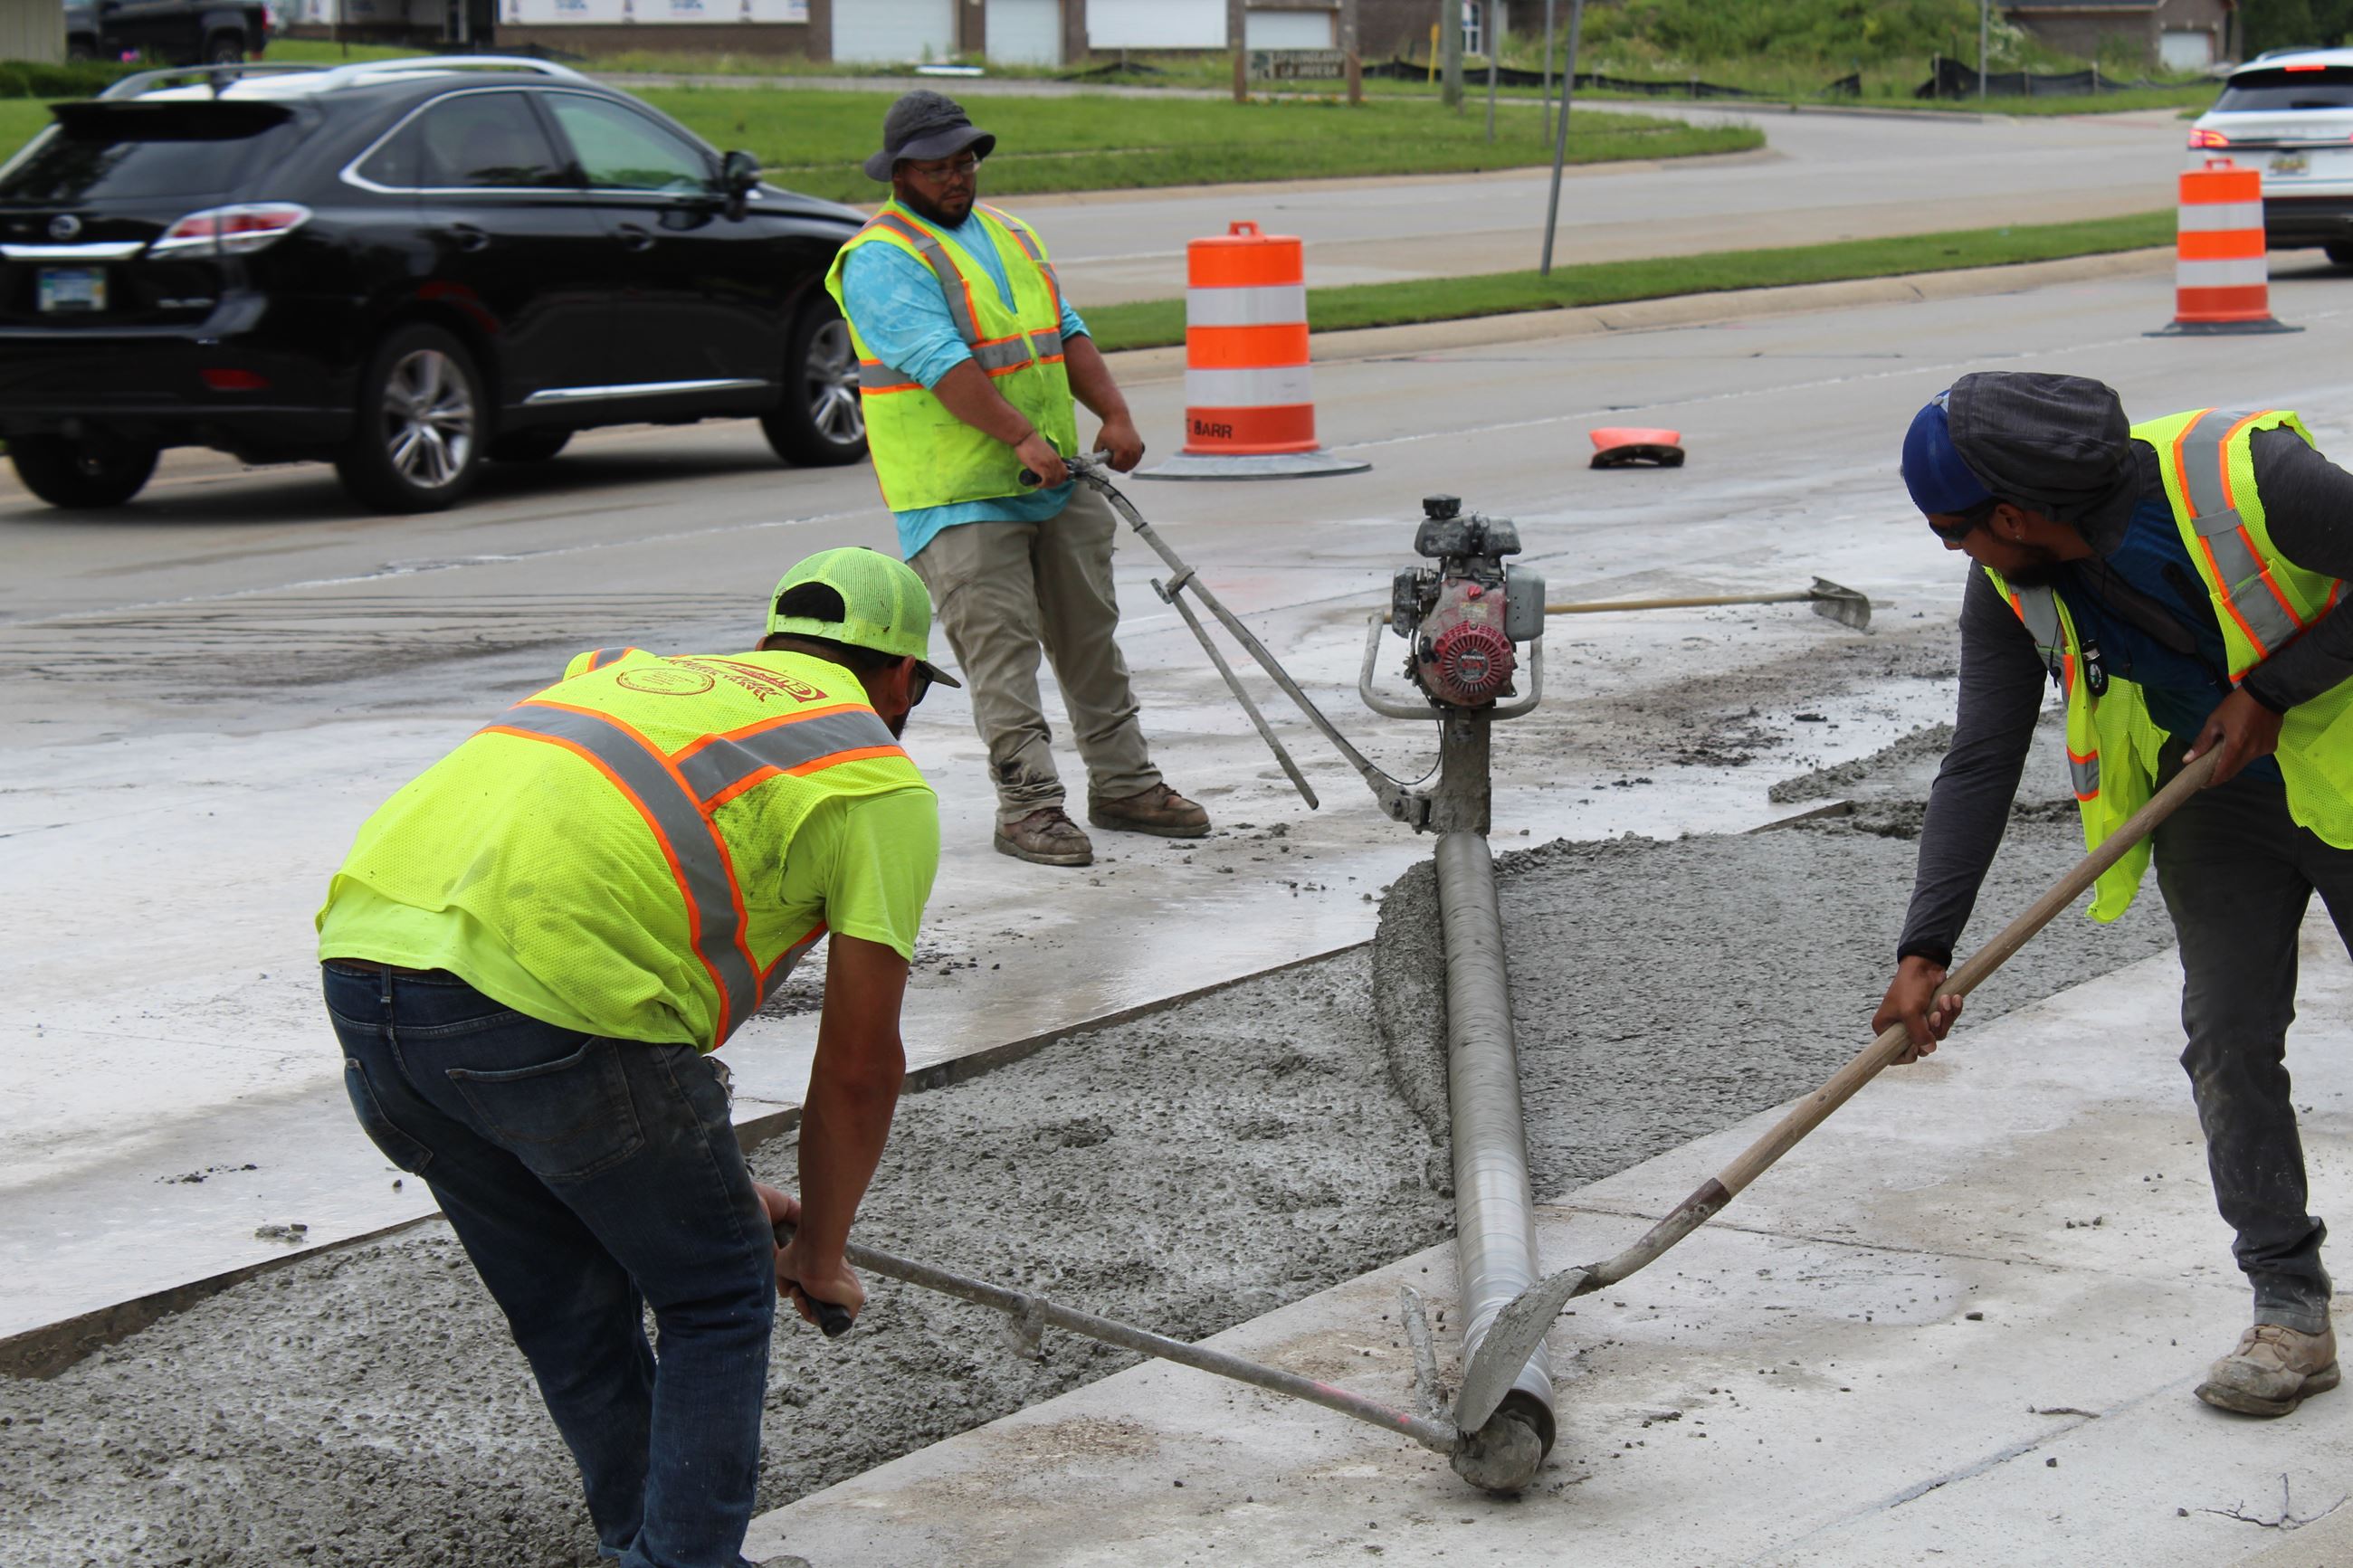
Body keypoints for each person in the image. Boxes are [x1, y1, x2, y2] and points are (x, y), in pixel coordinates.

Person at [317, 547, 949, 1568]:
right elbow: (859, 1065)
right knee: (716, 1292)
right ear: (902, 677)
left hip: (368, 983)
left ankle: (646, 1549)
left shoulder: (623, 674)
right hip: (553, 1011)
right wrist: (817, 1253)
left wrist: (704, 1179)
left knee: (570, 1306)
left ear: (772, 645)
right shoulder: (869, 773)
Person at [1877, 371, 2353, 1420]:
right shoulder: (2011, 581)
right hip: (2212, 799)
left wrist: (2269, 689)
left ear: (2011, 513)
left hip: (2347, 758)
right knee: (2226, 1038)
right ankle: (2287, 1306)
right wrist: (1925, 946)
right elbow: (1981, 754)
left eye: (1954, 532)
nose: (1955, 553)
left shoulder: (2247, 479)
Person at [825, 90, 1209, 868]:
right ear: (900, 172)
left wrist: (1115, 413)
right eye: (938, 168)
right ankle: (1029, 806)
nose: (957, 178)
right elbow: (944, 366)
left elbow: (1065, 333)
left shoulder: (1009, 232)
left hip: (1053, 480)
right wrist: (1023, 436)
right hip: (959, 496)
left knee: (1090, 640)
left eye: (965, 162)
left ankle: (1125, 784)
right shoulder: (881, 257)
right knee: (1002, 657)